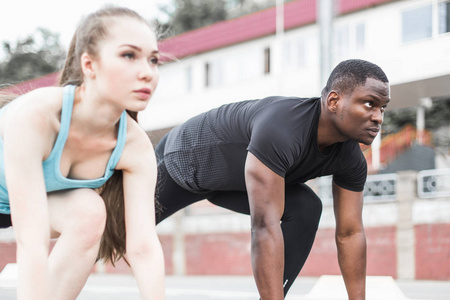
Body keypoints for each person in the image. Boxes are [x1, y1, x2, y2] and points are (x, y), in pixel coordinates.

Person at [155, 59, 390, 300]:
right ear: (333, 101)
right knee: (118, 235)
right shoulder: (282, 130)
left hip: (232, 184)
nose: (378, 117)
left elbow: (350, 233)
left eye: (382, 108)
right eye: (370, 104)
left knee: (306, 208)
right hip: (182, 163)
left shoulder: (351, 160)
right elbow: (265, 226)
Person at [0, 6, 165, 300]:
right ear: (89, 65)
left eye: (153, 60)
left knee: (88, 212)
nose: (147, 72)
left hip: (16, 207)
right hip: (20, 211)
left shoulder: (134, 147)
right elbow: (31, 242)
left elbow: (143, 247)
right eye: (129, 55)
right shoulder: (36, 116)